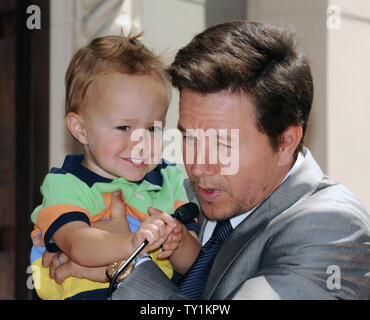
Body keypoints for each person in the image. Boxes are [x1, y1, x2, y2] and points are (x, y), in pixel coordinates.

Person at [45, 21, 370, 300]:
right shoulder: (174, 195)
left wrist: (124, 267)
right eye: (188, 138)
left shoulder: (333, 228)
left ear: (286, 141)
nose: (198, 167)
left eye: (223, 144)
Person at [30, 33, 201, 300]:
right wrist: (132, 243)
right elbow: (77, 244)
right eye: (124, 127)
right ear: (81, 129)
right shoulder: (66, 184)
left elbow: (195, 265)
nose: (141, 142)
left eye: (153, 128)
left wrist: (177, 241)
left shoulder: (169, 178)